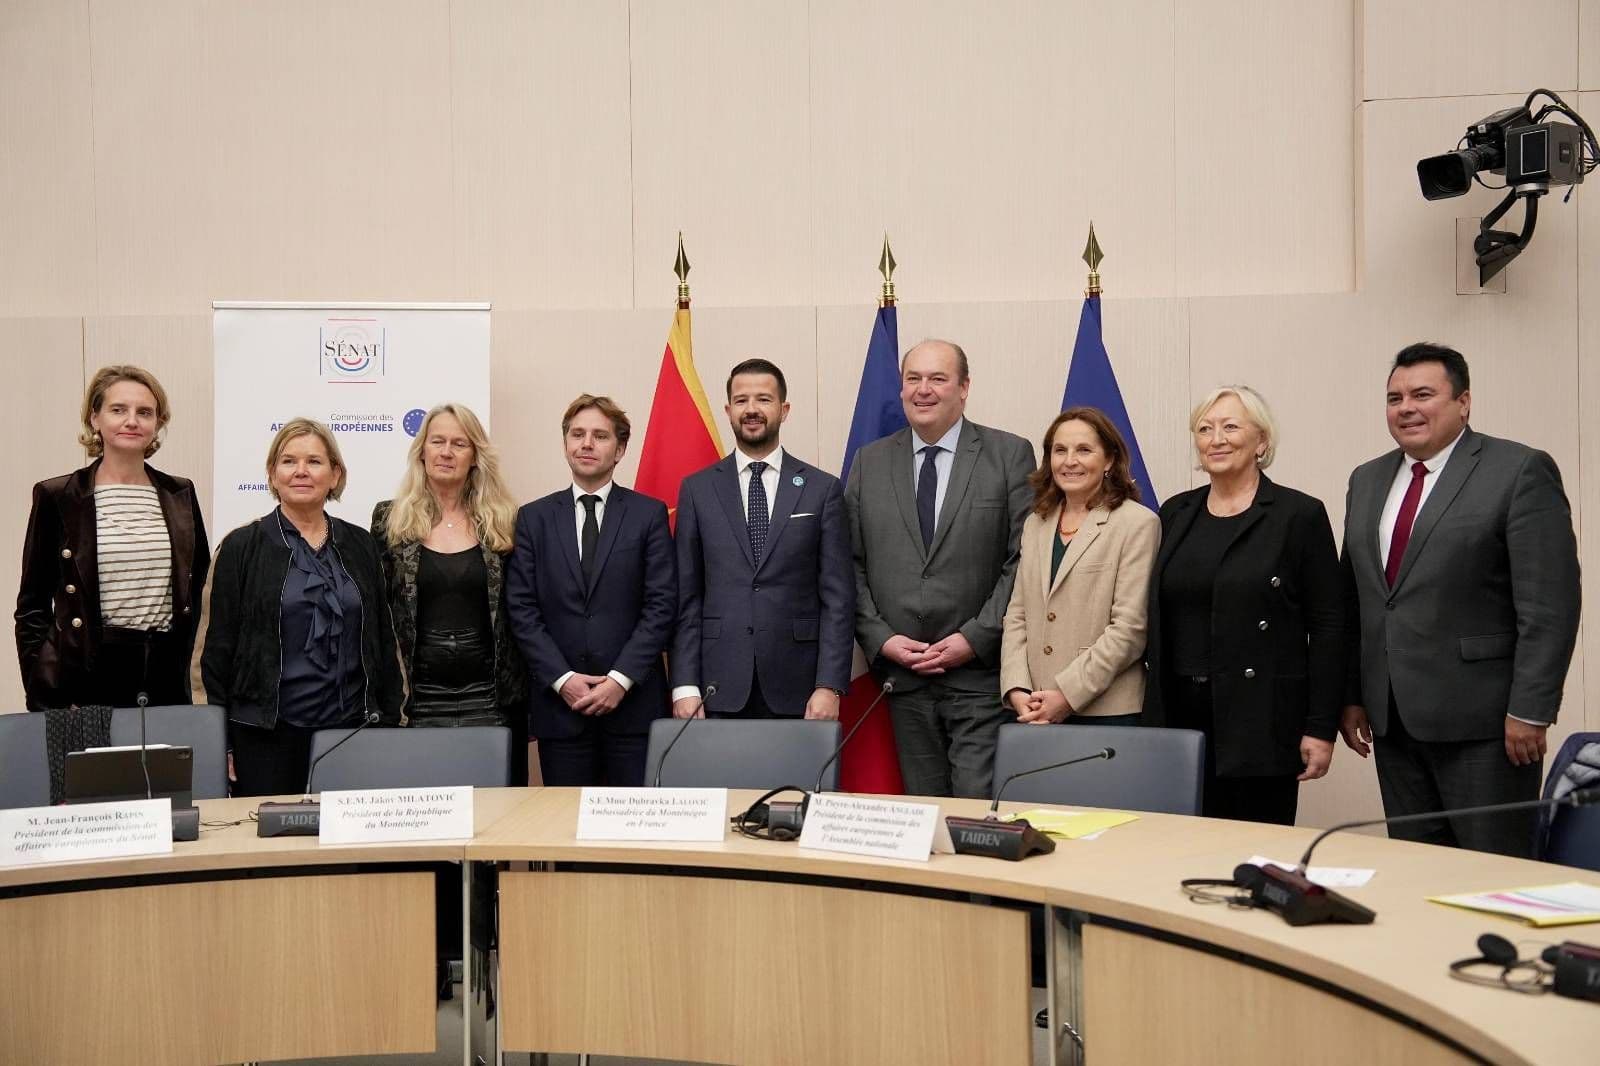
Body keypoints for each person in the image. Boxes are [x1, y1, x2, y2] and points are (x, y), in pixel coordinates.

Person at [1339, 343, 1580, 857]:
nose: (1407, 408)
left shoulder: (1518, 470)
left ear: (1463, 402)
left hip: (1487, 727)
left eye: (1423, 395)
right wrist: (1353, 695)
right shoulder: (1367, 479)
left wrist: (1531, 710)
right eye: (1395, 398)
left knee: (1490, 873)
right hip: (1393, 721)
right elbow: (1359, 599)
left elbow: (1549, 606)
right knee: (1418, 870)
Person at [1142, 386, 1342, 826]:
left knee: (1255, 847)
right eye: (1205, 429)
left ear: (1261, 441)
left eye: (1230, 427)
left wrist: (1320, 726)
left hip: (1260, 717)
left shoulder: (1298, 514)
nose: (1216, 439)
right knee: (1178, 845)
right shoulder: (1176, 512)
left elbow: (1329, 626)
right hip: (1179, 716)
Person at [845, 339, 1034, 798]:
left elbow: (1024, 560)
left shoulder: (1009, 454)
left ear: (964, 388)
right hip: (903, 679)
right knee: (924, 813)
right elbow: (848, 563)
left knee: (974, 812)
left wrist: (975, 637)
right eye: (913, 379)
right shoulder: (870, 461)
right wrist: (881, 638)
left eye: (937, 378)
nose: (923, 389)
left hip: (980, 677)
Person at [199, 418, 403, 796]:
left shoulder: (360, 544)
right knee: (270, 835)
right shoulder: (242, 547)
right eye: (289, 461)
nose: (301, 471)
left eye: (314, 461)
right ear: (272, 475)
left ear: (335, 474)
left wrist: (391, 721)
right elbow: (213, 654)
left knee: (347, 835)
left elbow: (383, 641)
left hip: (352, 730)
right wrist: (218, 741)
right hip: (264, 737)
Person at [16, 365, 209, 710]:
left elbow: (200, 594)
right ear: (95, 418)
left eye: (144, 412)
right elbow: (32, 607)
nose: (132, 421)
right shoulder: (58, 496)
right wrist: (43, 689)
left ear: (158, 423)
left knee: (167, 750)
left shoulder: (180, 493)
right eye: (118, 409)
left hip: (167, 673)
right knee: (94, 751)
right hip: (88, 673)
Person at [671, 359, 854, 721]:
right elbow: (686, 597)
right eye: (741, 400)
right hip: (716, 685)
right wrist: (685, 686)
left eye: (763, 399)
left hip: (800, 687)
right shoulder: (697, 490)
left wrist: (829, 685)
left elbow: (838, 598)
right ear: (728, 411)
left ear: (784, 410)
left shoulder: (822, 489)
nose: (751, 409)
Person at [507, 395, 675, 786]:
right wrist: (563, 679)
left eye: (600, 436)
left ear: (620, 449)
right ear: (565, 442)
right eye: (577, 434)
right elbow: (521, 609)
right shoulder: (533, 518)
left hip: (632, 708)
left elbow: (661, 605)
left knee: (630, 821)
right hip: (561, 708)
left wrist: (620, 679)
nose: (586, 443)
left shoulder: (648, 514)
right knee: (566, 821)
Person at [372, 403, 529, 784]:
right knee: (424, 809)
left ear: (475, 456)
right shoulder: (389, 519)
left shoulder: (506, 521)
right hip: (418, 701)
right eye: (437, 441)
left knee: (497, 812)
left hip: (491, 699)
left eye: (459, 444)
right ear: (421, 451)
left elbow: (525, 611)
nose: (446, 452)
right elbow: (377, 613)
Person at [1000, 408, 1158, 728]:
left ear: (1109, 459)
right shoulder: (1036, 523)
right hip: (1035, 707)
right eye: (1060, 450)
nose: (1069, 461)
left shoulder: (1137, 523)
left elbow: (1130, 629)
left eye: (1084, 450)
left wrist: (1067, 695)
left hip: (1107, 712)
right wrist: (1017, 687)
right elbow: (1017, 614)